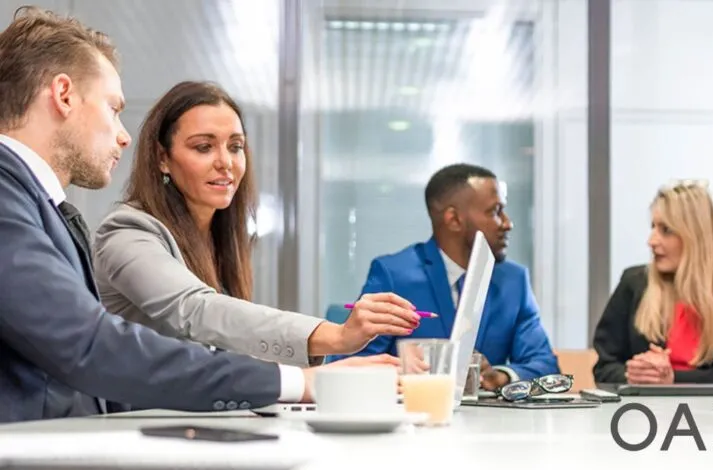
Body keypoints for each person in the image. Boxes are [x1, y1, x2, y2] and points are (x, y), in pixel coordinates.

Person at [0, 6, 399, 423]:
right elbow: (95, 345)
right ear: (64, 95)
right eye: (114, 108)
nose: (122, 134)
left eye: (236, 146)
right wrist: (308, 373)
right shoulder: (34, 206)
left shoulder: (33, 202)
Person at [91, 81, 421, 367]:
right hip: (134, 425)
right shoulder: (127, 232)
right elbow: (196, 310)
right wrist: (335, 336)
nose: (225, 163)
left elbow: (229, 351)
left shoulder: (220, 238)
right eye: (204, 147)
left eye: (235, 147)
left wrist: (343, 369)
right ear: (162, 157)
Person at [331, 163, 560, 390]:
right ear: (454, 219)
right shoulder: (394, 275)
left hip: (490, 423)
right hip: (415, 418)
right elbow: (350, 368)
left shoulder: (514, 281)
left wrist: (499, 376)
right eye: (495, 212)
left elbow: (546, 367)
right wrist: (409, 374)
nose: (508, 223)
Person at [592, 180, 713, 384]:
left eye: (666, 230)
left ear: (698, 237)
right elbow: (604, 368)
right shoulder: (634, 284)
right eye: (653, 227)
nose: (651, 241)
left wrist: (675, 380)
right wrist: (638, 376)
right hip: (645, 413)